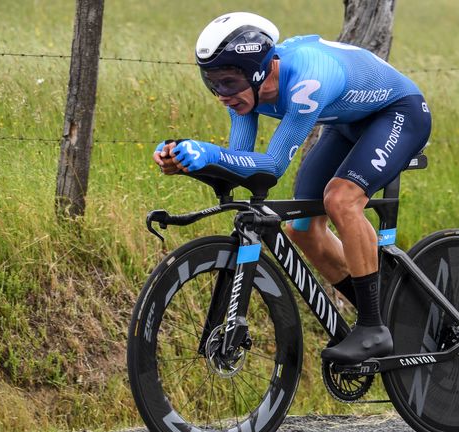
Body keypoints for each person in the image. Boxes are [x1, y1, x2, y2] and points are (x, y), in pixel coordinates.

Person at [153, 12, 431, 364]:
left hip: (398, 113)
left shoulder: (306, 82)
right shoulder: (243, 94)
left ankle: (373, 328)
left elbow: (270, 168)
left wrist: (207, 153)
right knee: (302, 230)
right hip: (346, 124)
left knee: (341, 200)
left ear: (256, 72)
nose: (221, 94)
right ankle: (388, 309)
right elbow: (240, 162)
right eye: (212, 83)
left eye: (227, 82)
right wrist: (186, 161)